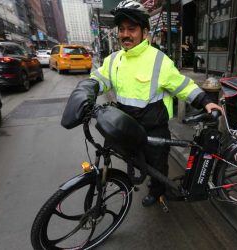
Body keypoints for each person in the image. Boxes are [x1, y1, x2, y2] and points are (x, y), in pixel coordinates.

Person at [61, 0, 222, 207]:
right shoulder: (113, 59)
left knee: (157, 164)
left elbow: (182, 85)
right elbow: (100, 79)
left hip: (154, 126)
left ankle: (157, 191)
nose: (125, 34)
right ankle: (140, 178)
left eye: (132, 29)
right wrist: (86, 90)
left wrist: (206, 101)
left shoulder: (159, 60)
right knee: (135, 160)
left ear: (145, 32)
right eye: (122, 29)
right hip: (126, 125)